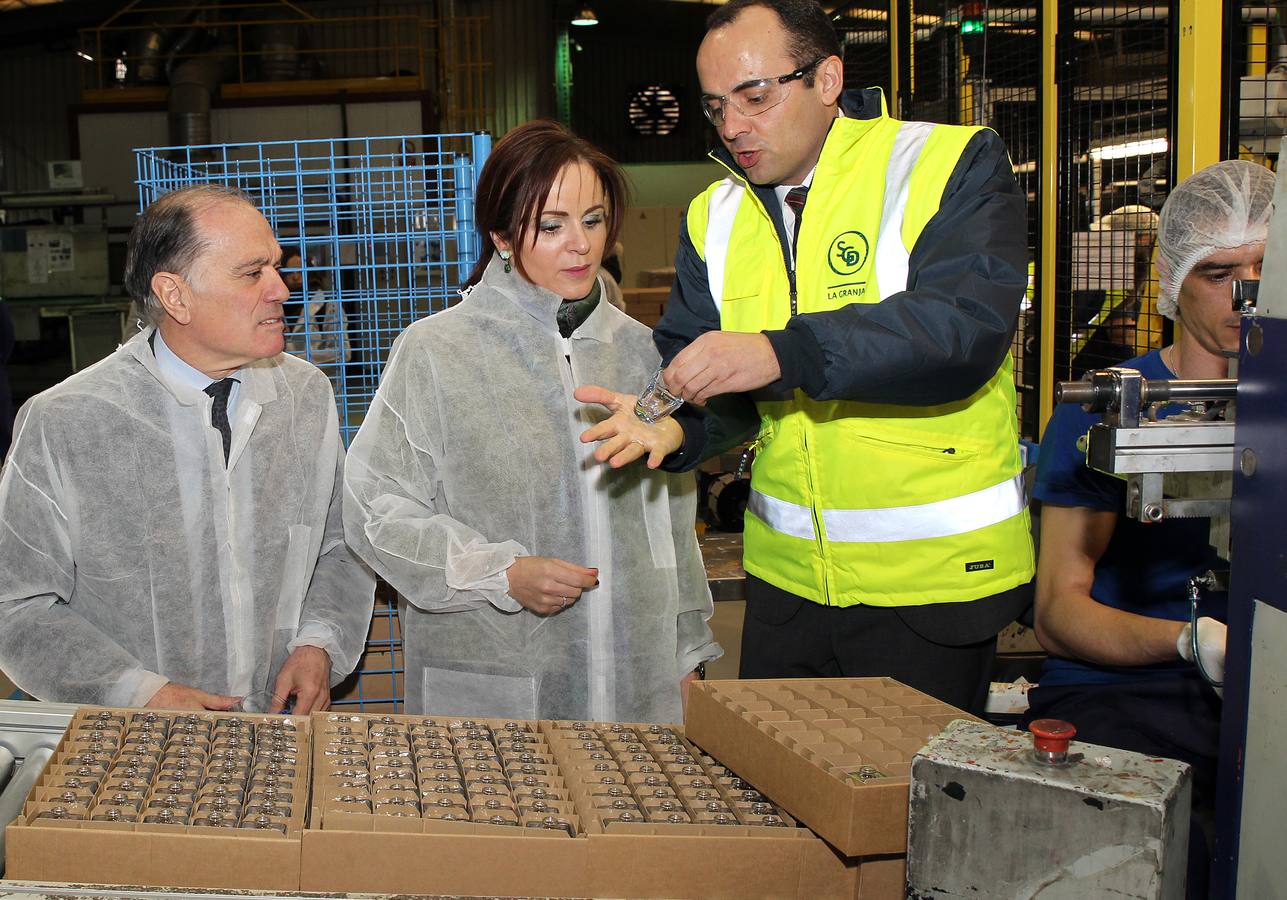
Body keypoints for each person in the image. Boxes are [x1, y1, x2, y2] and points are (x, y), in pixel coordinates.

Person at [576, 0, 1032, 714]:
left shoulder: (943, 164)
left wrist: (779, 353)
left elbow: (960, 330)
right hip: (787, 589)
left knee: (904, 811)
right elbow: (707, 376)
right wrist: (678, 427)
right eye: (715, 106)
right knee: (781, 802)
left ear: (826, 79)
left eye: (755, 97)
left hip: (930, 584)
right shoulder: (716, 216)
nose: (732, 127)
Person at [343, 121, 720, 722]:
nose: (580, 245)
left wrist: (686, 650)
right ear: (499, 235)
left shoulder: (644, 353)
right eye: (551, 226)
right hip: (491, 684)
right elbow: (374, 510)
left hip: (636, 683)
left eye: (593, 220)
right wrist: (501, 572)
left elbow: (670, 521)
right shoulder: (437, 352)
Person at [0, 184, 376, 712]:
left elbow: (340, 546)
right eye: (253, 273)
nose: (282, 289)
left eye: (275, 266)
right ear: (175, 295)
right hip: (127, 742)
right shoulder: (69, 420)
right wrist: (139, 693)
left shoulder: (304, 397)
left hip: (272, 723)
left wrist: (318, 644)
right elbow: (16, 604)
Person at [1024, 159, 1271, 893]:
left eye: (1263, 267)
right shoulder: (1105, 407)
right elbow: (1056, 614)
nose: (1244, 294)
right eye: (1218, 271)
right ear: (1170, 277)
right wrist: (1187, 641)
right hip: (1129, 689)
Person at [280, 246, 351, 369]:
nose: (296, 277)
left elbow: (343, 352)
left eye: (300, 271)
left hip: (320, 381)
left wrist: (298, 361)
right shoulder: (273, 306)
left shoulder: (327, 305)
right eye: (289, 272)